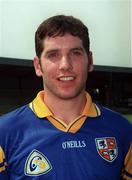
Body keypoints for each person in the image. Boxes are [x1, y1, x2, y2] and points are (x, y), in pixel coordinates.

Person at [0, 15, 131, 180]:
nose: (65, 65)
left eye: (75, 53)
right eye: (53, 54)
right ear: (38, 66)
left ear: (89, 60)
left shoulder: (123, 130)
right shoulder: (4, 133)